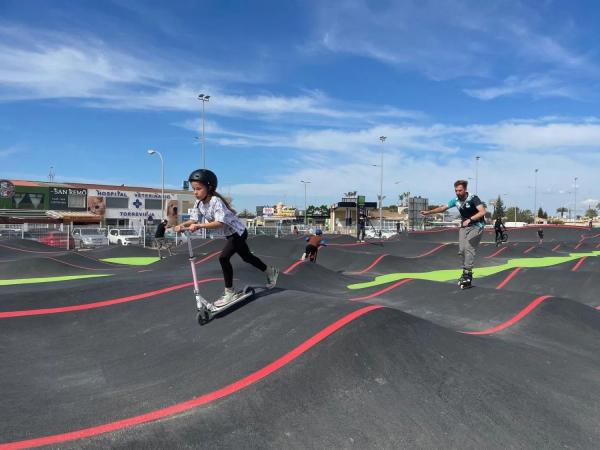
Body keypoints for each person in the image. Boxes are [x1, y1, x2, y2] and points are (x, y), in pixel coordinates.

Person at [174, 169, 279, 307]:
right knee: (247, 257)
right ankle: (271, 271)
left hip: (238, 232)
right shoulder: (198, 203)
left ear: (209, 187)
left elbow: (219, 223)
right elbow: (193, 219)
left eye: (198, 189)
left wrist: (199, 225)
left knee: (223, 258)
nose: (195, 192)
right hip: (230, 235)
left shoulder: (215, 201)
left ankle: (230, 292)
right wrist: (181, 225)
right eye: (193, 189)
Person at [420, 180, 486, 289]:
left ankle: (468, 274)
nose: (458, 192)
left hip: (477, 226)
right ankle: (465, 271)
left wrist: (470, 219)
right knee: (461, 250)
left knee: (468, 247)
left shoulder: (473, 198)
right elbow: (442, 208)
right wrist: (429, 212)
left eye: (460, 190)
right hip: (464, 227)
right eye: (456, 191)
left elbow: (482, 212)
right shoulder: (455, 201)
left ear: (465, 190)